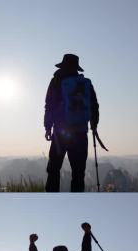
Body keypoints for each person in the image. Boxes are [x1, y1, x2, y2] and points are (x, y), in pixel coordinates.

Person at [44, 54, 100, 192]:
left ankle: (51, 202)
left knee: (54, 169)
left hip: (60, 133)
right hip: (80, 133)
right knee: (78, 172)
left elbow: (49, 105)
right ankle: (77, 205)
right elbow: (94, 105)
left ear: (62, 66)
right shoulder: (85, 84)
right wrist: (94, 124)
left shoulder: (56, 81)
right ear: (77, 68)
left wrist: (48, 127)